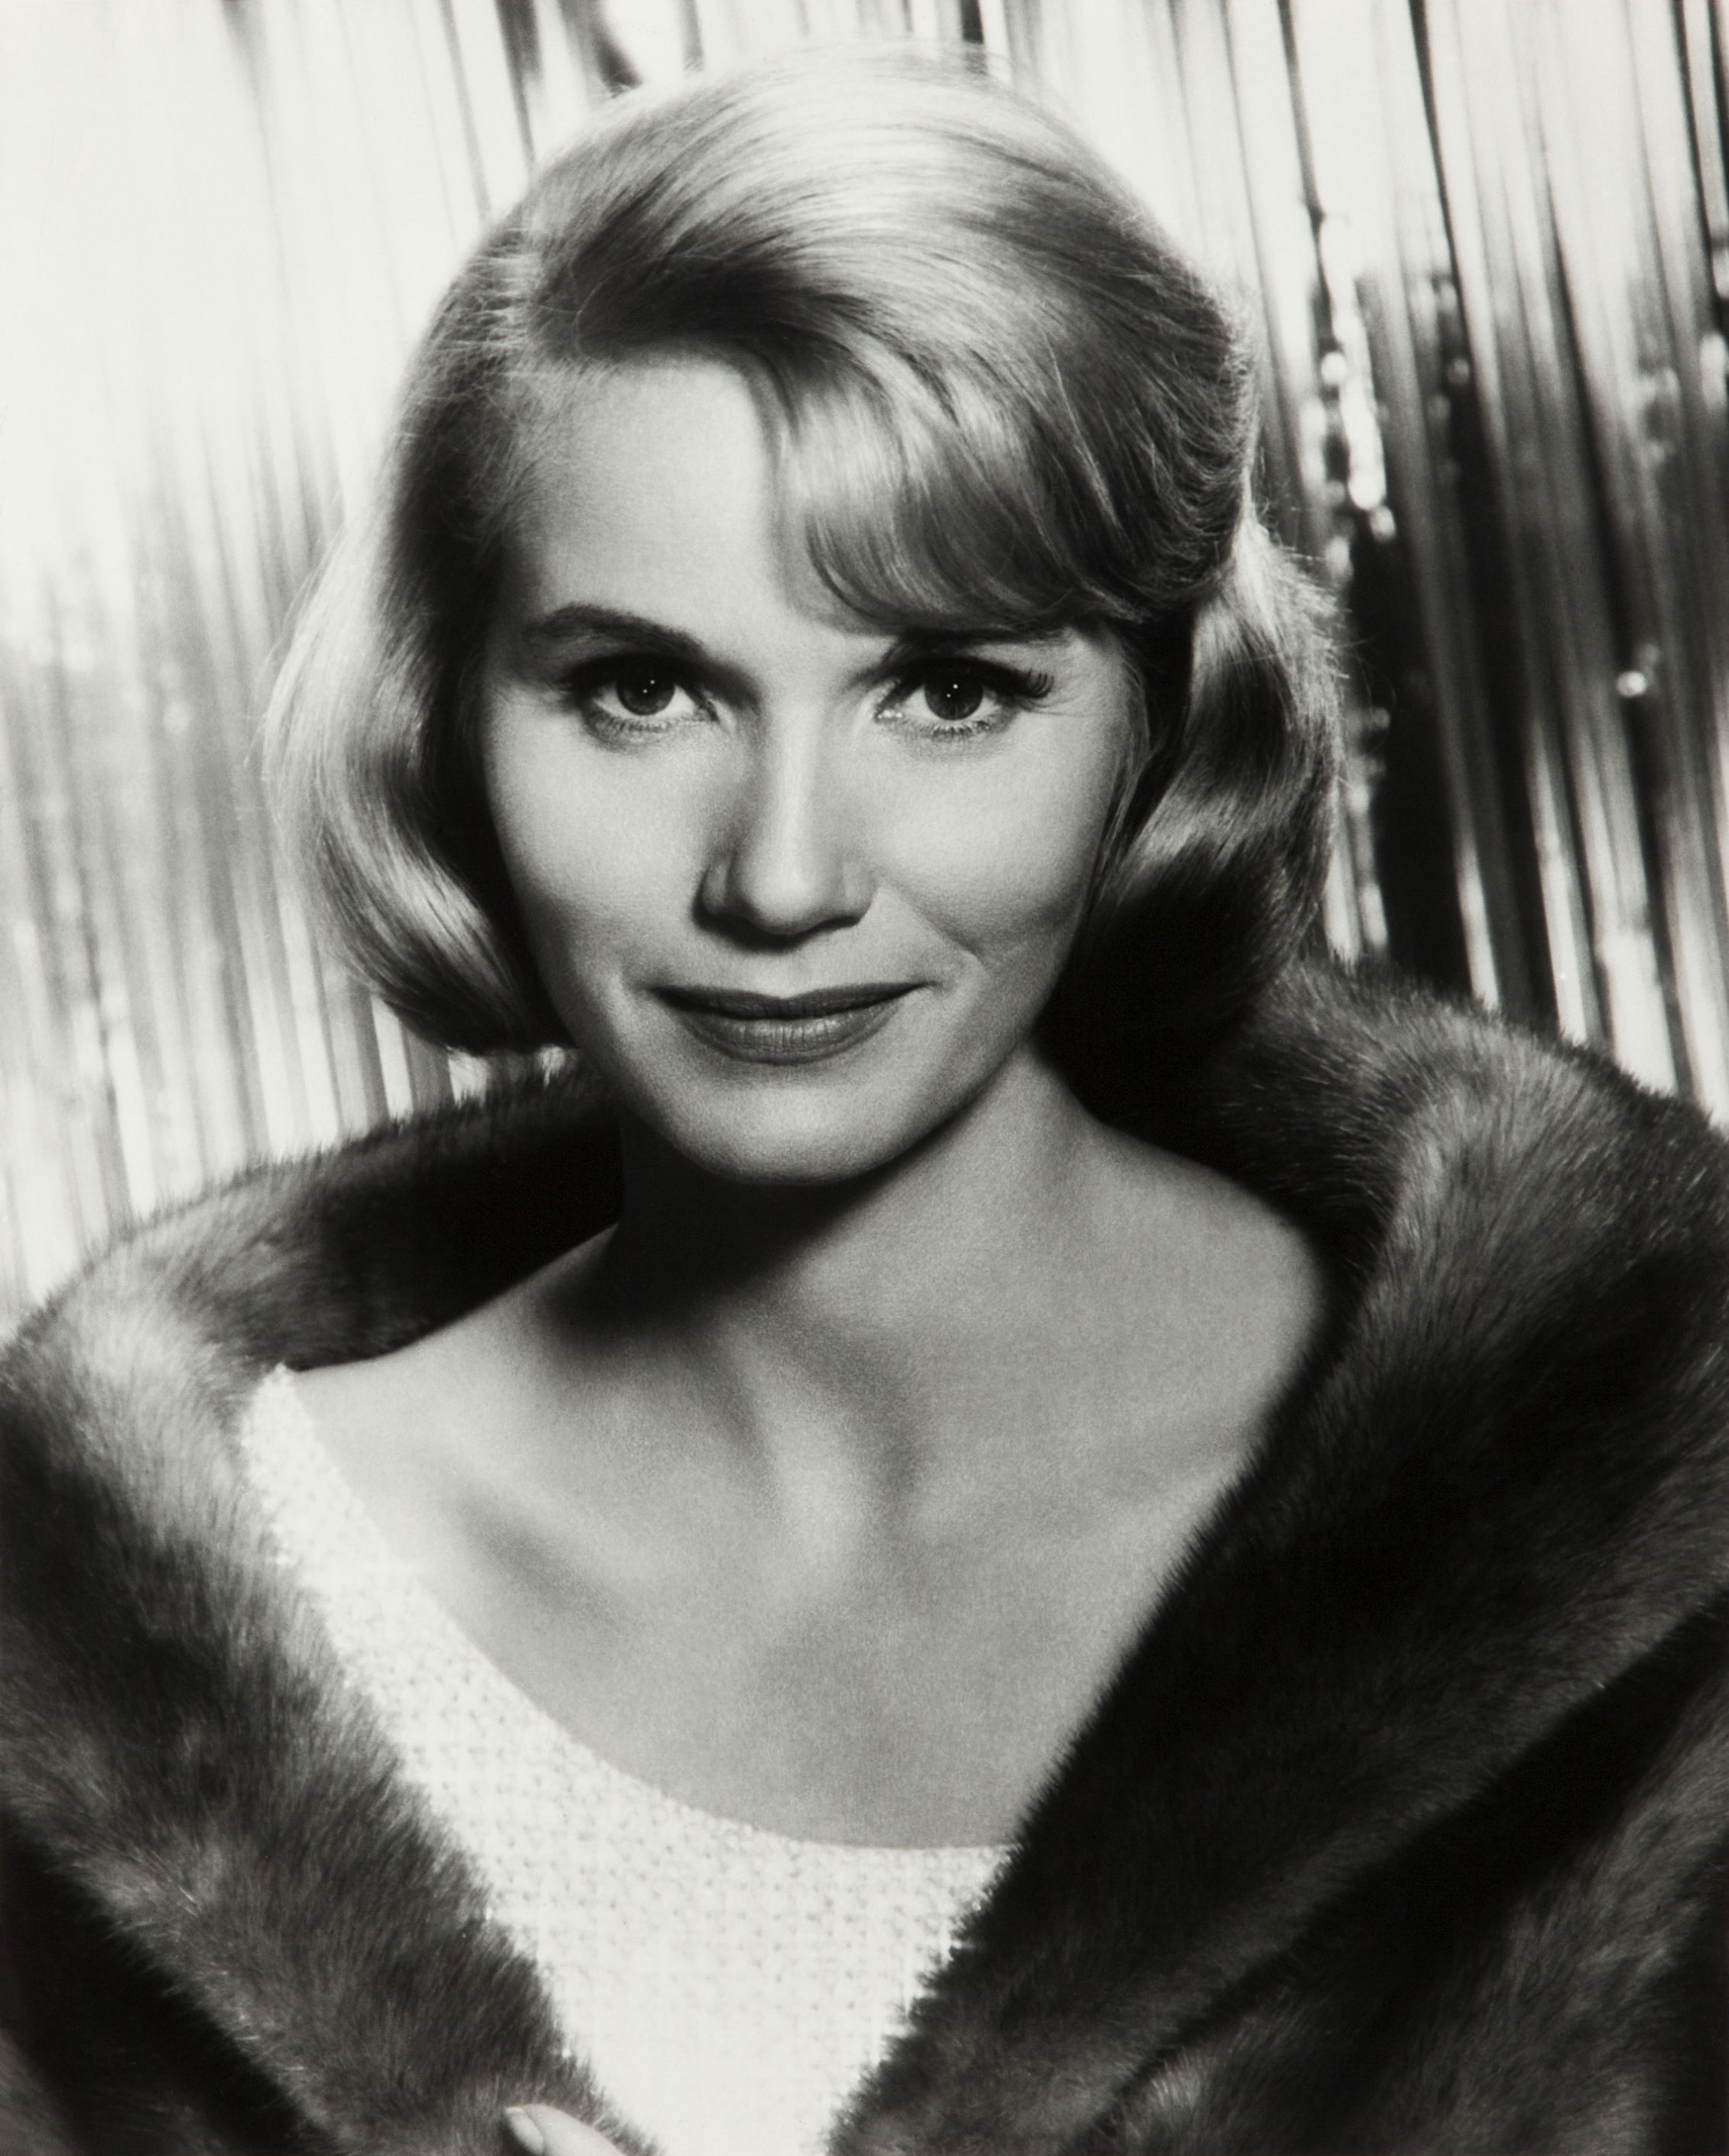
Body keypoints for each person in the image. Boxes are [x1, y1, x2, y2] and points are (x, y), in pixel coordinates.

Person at [1, 43, 1724, 2156]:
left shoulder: (1659, 1570)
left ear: (1161, 720)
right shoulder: (127, 1655)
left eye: (950, 689)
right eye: (642, 688)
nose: (787, 874)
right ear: (444, 722)